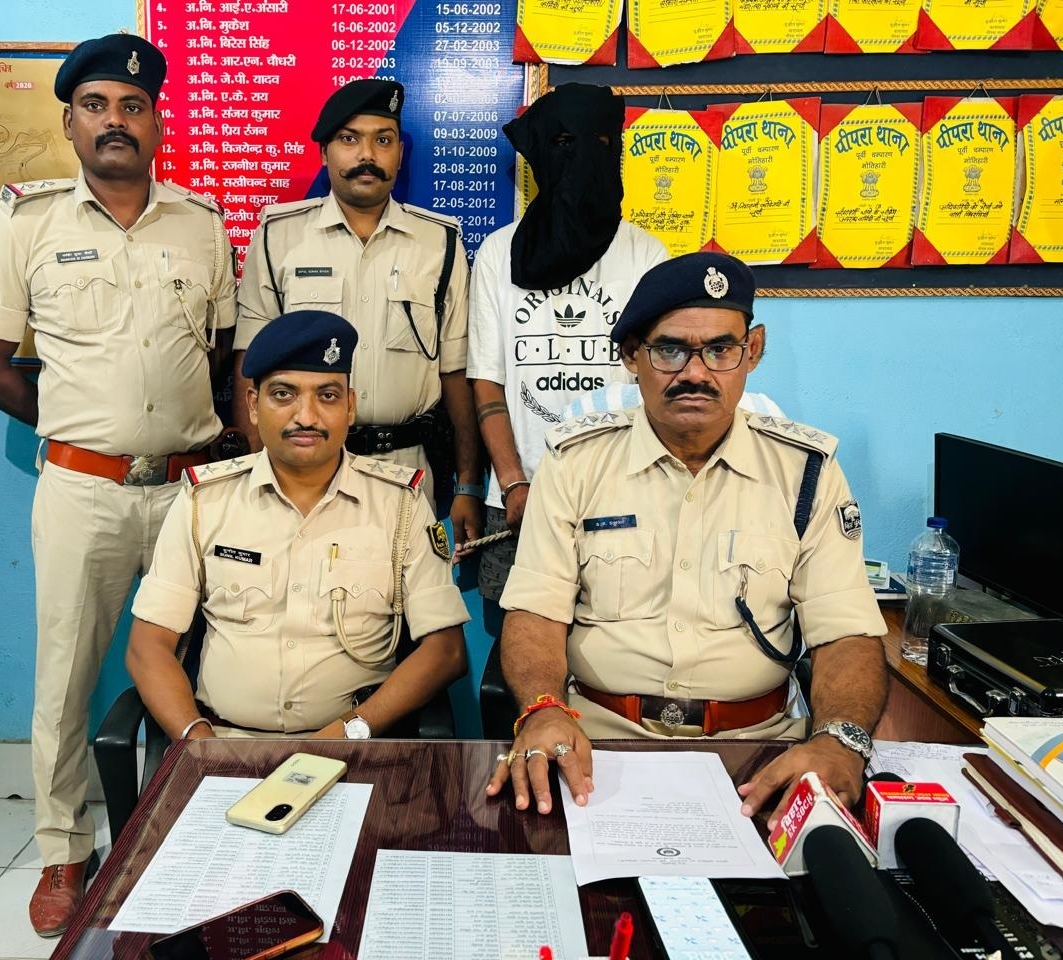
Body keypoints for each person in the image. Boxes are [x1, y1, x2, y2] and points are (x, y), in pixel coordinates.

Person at [0, 34, 236, 936]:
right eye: (96, 106)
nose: (116, 121)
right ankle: (63, 852)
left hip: (191, 492)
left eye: (133, 106)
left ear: (158, 122)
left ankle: (202, 823)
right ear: (70, 122)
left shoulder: (202, 224)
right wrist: (76, 425)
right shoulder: (25, 224)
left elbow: (221, 358)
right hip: (83, 493)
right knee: (66, 674)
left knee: (212, 667)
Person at [484, 252, 888, 830]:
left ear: (753, 351)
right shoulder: (575, 463)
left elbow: (845, 633)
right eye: (670, 350)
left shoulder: (807, 474)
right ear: (631, 356)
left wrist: (838, 740)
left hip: (760, 751)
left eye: (721, 349)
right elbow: (535, 614)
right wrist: (543, 710)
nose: (695, 373)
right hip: (596, 746)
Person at [126, 311, 469, 745]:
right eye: (284, 394)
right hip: (225, 744)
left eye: (327, 395)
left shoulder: (400, 504)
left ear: (350, 406)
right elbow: (148, 646)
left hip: (355, 746)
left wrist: (346, 734)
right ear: (253, 405)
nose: (306, 416)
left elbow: (445, 650)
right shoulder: (204, 501)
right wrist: (198, 742)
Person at [231, 79, 484, 548]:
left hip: (406, 471)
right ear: (324, 152)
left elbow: (455, 372)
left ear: (399, 154)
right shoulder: (278, 236)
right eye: (349, 139)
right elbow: (250, 364)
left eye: (383, 140)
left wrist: (468, 483)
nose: (367, 154)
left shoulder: (440, 243)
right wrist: (254, 471)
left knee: (405, 592)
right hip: (300, 466)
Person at [466, 82, 668, 610]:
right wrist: (513, 482)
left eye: (600, 143)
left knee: (617, 634)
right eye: (563, 144)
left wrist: (625, 487)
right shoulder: (498, 255)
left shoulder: (646, 254)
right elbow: (486, 378)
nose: (583, 160)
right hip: (519, 496)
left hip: (621, 494)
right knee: (518, 637)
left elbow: (658, 377)